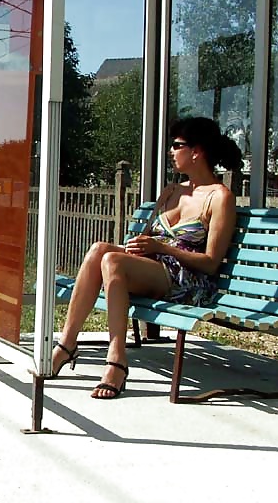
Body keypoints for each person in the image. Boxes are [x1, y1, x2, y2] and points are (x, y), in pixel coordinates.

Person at [51, 116, 243, 399]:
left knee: (112, 262)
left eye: (177, 145)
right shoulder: (172, 191)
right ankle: (67, 344)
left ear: (196, 151)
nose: (171, 151)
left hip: (188, 281)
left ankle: (117, 361)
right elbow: (150, 238)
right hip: (156, 268)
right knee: (98, 250)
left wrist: (163, 248)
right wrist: (142, 246)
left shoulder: (219, 197)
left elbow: (211, 262)